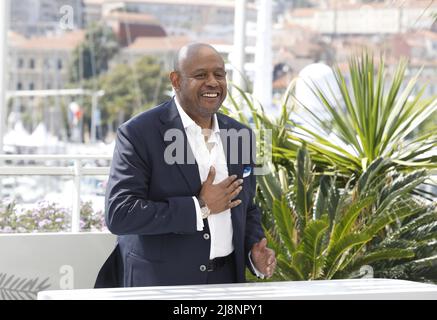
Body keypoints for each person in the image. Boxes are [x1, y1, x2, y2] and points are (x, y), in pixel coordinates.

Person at [95, 43, 276, 287]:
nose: (213, 82)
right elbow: (120, 213)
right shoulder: (138, 133)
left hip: (226, 284)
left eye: (219, 75)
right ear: (176, 80)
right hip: (160, 285)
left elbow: (247, 206)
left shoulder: (240, 135)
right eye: (201, 75)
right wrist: (200, 207)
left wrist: (253, 252)